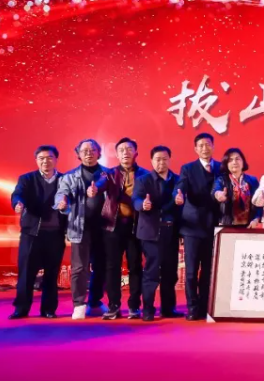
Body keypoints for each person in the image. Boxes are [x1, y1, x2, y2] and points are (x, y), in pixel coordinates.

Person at [56, 138, 113, 320]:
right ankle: (79, 304)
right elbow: (61, 194)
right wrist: (62, 202)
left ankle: (95, 302)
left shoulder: (109, 174)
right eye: (84, 151)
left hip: (105, 227)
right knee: (80, 267)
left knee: (102, 266)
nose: (89, 153)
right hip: (80, 227)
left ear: (99, 153)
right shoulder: (69, 176)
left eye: (92, 150)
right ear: (78, 155)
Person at [10, 145, 67, 319]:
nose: (45, 161)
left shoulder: (65, 180)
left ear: (56, 159)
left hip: (55, 233)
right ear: (36, 160)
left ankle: (48, 309)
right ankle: (21, 309)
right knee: (26, 273)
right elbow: (17, 194)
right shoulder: (27, 179)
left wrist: (67, 205)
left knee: (52, 273)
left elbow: (72, 200)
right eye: (41, 158)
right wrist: (18, 203)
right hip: (31, 233)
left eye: (49, 157)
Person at [174, 132, 221, 321]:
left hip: (214, 225)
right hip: (192, 226)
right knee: (192, 271)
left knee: (208, 270)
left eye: (208, 144)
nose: (204, 148)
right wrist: (178, 196)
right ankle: (193, 308)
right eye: (201, 145)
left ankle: (204, 307)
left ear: (213, 146)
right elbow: (181, 186)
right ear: (195, 149)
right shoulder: (188, 168)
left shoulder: (221, 167)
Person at [133, 146, 182, 321]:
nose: (161, 162)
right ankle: (148, 309)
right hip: (151, 232)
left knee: (170, 272)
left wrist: (181, 201)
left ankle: (168, 308)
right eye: (157, 159)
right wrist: (142, 205)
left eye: (164, 159)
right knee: (152, 272)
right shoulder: (143, 180)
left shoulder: (178, 180)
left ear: (170, 159)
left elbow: (182, 202)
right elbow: (136, 199)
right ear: (152, 161)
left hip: (171, 232)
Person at [102, 137, 148, 320]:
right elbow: (100, 185)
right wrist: (94, 190)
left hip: (135, 226)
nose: (125, 153)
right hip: (113, 225)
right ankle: (113, 305)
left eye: (129, 149)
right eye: (121, 150)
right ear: (116, 154)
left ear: (136, 153)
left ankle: (134, 306)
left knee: (135, 265)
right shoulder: (109, 174)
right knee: (112, 266)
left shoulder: (145, 175)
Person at [214, 148, 261, 228]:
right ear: (226, 164)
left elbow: (259, 203)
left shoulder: (252, 180)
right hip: (227, 226)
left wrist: (256, 219)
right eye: (230, 160)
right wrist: (218, 194)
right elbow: (215, 191)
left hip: (249, 226)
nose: (234, 162)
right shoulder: (221, 180)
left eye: (237, 159)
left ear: (243, 162)